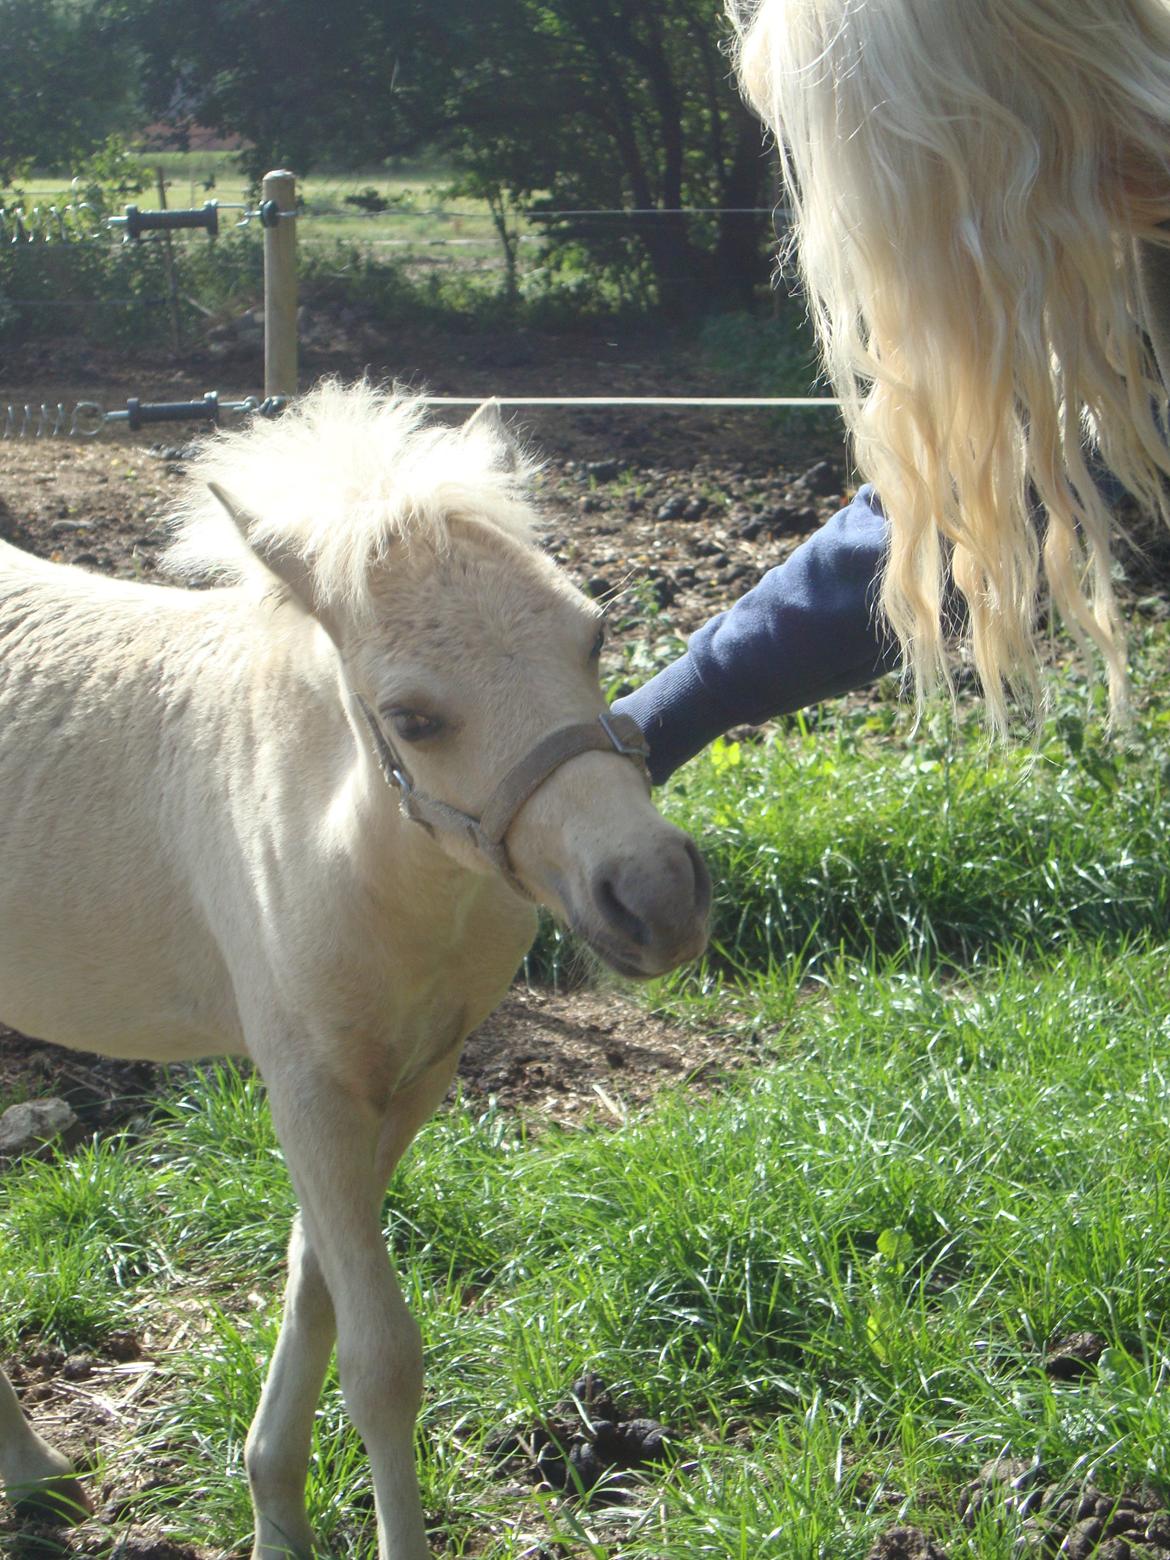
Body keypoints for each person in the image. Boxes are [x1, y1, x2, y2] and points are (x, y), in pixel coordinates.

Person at [617, 0, 1170, 780]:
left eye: (866, 166)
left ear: (973, 130)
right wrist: (670, 708)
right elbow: (959, 506)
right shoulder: (1135, 259)